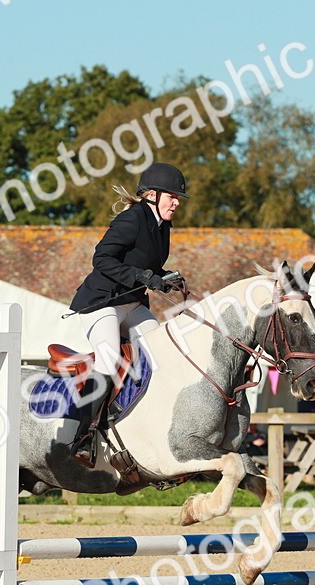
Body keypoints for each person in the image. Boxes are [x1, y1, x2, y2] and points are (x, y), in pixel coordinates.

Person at [66, 162, 188, 466]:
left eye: (177, 198)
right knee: (108, 361)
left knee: (161, 352)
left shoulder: (162, 226)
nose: (176, 202)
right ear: (153, 195)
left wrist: (164, 276)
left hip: (131, 305)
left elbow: (145, 264)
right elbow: (102, 258)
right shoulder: (132, 218)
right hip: (101, 303)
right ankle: (83, 437)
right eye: (172, 196)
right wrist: (145, 276)